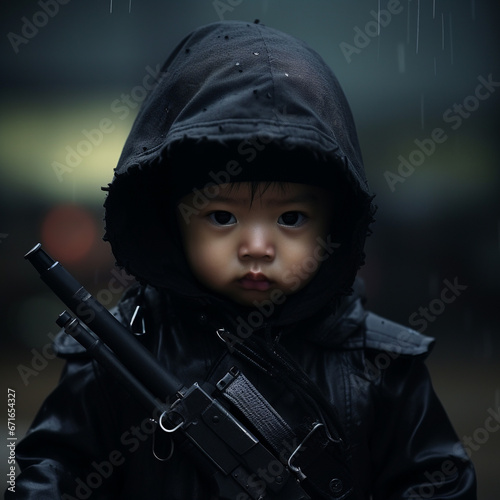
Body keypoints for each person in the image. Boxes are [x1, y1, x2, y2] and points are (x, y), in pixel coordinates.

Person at [11, 20, 476, 499]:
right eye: (221, 216)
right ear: (173, 221)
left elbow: (437, 482)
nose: (257, 246)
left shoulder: (377, 364)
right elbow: (51, 469)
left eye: (291, 217)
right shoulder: (121, 353)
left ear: (334, 227)